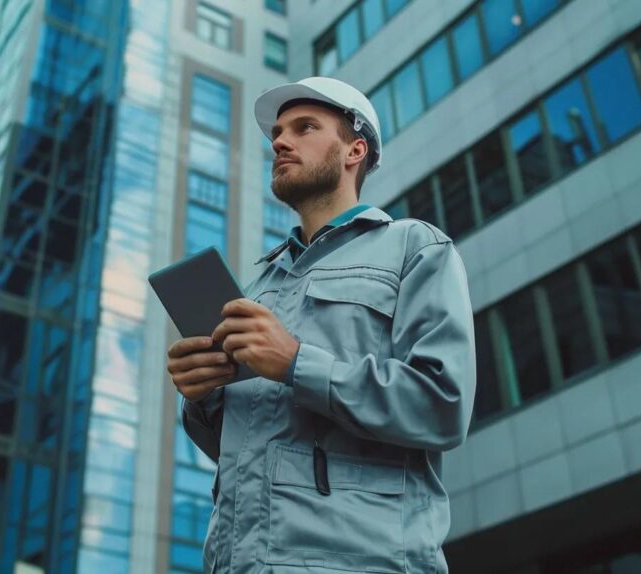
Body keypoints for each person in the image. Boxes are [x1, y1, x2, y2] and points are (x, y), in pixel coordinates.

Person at [166, 76, 476, 574]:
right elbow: (243, 446)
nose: (281, 142)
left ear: (355, 150)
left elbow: (442, 407)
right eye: (278, 134)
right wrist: (200, 396)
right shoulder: (258, 283)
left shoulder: (415, 248)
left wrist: (295, 363)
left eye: (304, 127)